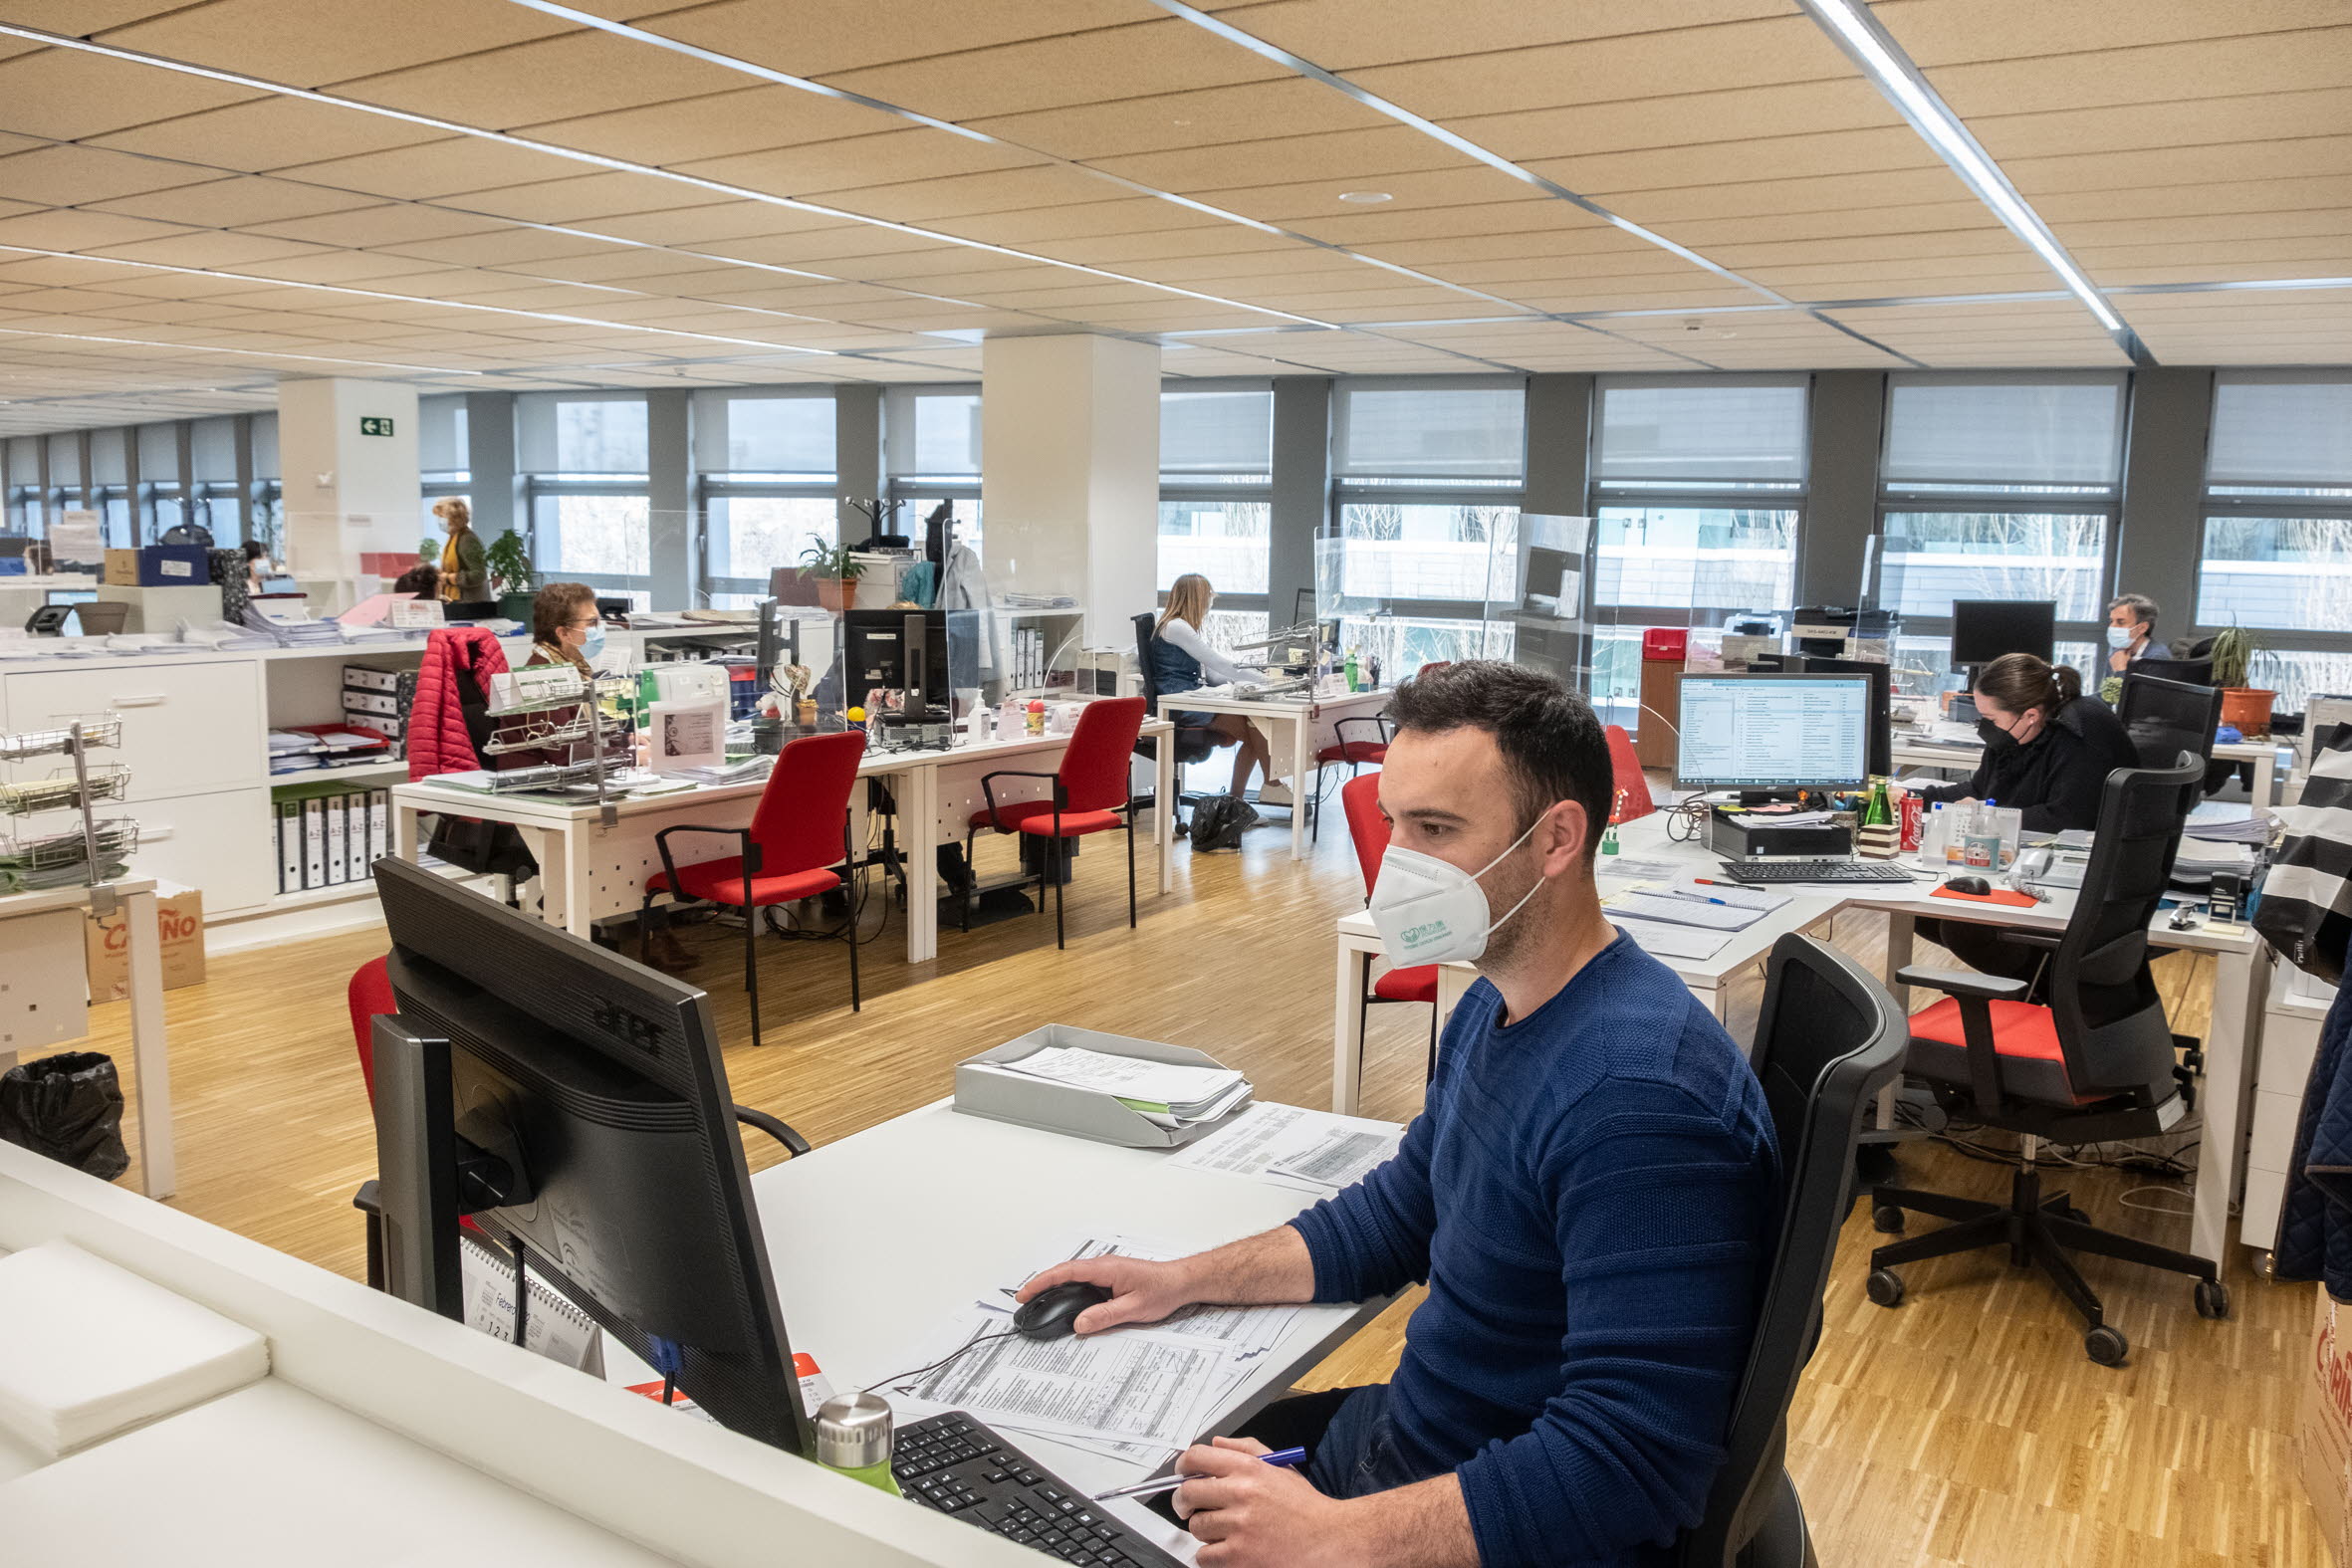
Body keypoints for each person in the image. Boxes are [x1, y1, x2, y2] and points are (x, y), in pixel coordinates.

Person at [1016, 660, 1779, 1568]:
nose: (1400, 864)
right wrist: (1182, 1278)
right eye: (1394, 824)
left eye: (1437, 829)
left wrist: (1332, 1535)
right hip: (1403, 1452)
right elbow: (1400, 1213)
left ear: (1558, 838)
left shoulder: (1639, 1098)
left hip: (1456, 1523)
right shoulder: (1498, 1006)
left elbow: (1632, 1463)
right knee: (1060, 1478)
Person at [1914, 651, 2139, 982]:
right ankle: (2041, 989)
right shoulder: (2018, 732)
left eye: (1990, 719)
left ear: (2030, 715)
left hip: (2082, 877)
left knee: (1962, 928)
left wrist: (1982, 815)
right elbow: (1980, 790)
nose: (1984, 729)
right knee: (1924, 913)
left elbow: (2063, 819)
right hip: (2036, 863)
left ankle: (2052, 989)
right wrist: (1916, 798)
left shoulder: (2079, 738)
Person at [1150, 573, 1287, 818]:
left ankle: (1238, 804)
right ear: (1197, 598)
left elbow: (1213, 674)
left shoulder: (1182, 626)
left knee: (1254, 725)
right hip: (1179, 702)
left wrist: (1247, 678)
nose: (1210, 603)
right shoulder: (1176, 626)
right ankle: (1268, 786)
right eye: (1208, 597)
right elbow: (1217, 662)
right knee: (1255, 731)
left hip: (1189, 696)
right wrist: (1266, 681)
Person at [432, 498, 489, 605]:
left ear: (454, 518)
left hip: (470, 604)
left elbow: (479, 574)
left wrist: (449, 578)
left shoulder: (467, 539)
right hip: (457, 601)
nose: (439, 521)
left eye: (441, 517)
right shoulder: (454, 537)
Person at [2105, 592, 2161, 674]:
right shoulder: (2117, 653)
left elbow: (2139, 687)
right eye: (2111, 621)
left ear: (2142, 628)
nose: (2112, 627)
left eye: (2120, 622)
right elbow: (2107, 686)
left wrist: (2121, 670)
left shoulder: (2157, 659)